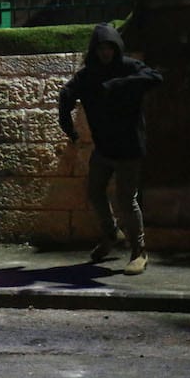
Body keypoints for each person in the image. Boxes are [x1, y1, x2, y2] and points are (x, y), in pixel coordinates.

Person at [58, 23, 162, 275]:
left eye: (109, 48)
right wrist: (68, 127)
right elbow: (67, 94)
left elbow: (155, 78)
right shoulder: (88, 75)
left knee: (127, 200)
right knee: (94, 192)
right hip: (104, 148)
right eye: (101, 48)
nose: (105, 53)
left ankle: (139, 251)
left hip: (128, 148)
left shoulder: (128, 67)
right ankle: (110, 234)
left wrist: (118, 85)